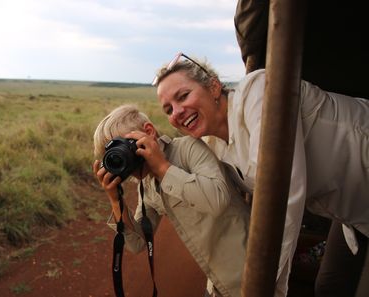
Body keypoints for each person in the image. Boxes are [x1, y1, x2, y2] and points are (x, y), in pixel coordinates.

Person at [152, 53, 369, 297]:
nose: (177, 112)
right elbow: (222, 210)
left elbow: (282, 194)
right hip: (351, 210)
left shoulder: (261, 91)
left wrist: (264, 282)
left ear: (213, 87)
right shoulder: (212, 145)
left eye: (183, 96)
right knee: (332, 286)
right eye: (168, 109)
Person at [92, 104, 250, 297]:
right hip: (217, 284)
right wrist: (116, 201)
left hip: (252, 271)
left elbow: (218, 200)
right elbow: (137, 243)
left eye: (123, 146)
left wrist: (163, 168)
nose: (122, 158)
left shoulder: (188, 148)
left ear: (148, 132)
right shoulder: (148, 184)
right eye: (113, 154)